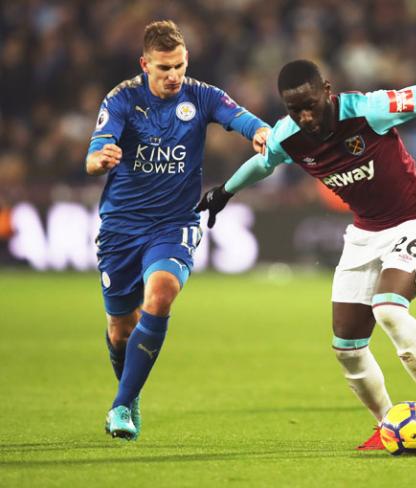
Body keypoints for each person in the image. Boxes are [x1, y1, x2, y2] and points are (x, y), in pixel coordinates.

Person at [196, 59, 416, 451]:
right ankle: (388, 425)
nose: (305, 116)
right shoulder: (288, 136)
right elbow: (263, 164)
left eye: (310, 105)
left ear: (327, 91)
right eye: (294, 109)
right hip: (365, 233)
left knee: (388, 309)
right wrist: (224, 192)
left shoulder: (370, 110)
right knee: (346, 349)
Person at [86, 20, 270, 440]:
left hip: (174, 222)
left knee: (163, 289)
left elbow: (239, 116)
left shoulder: (201, 95)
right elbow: (95, 152)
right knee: (120, 329)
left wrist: (259, 131)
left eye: (180, 66)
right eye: (164, 68)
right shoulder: (122, 99)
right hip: (121, 226)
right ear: (145, 64)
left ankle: (119, 406)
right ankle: (129, 394)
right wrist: (100, 160)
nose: (173, 76)